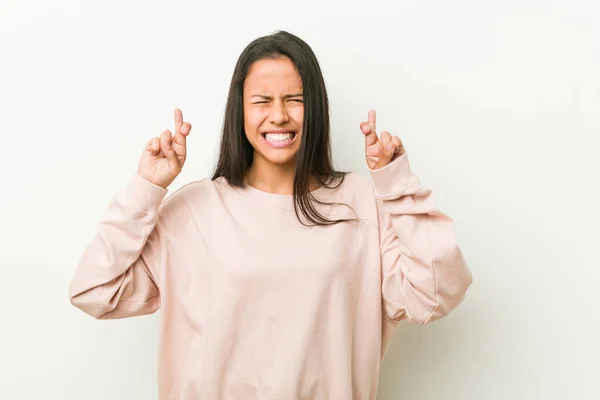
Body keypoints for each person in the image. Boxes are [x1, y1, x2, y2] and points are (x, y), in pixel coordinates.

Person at [68, 30, 473, 400]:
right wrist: (147, 187)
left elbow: (435, 295)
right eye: (261, 101)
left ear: (315, 108)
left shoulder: (362, 202)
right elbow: (95, 291)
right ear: (239, 111)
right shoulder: (193, 210)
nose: (278, 115)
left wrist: (395, 183)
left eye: (294, 100)